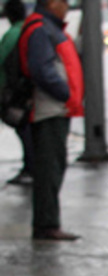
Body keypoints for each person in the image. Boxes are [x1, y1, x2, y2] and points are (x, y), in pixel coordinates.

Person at [20, 0, 82, 240]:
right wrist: (65, 93)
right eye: (64, 2)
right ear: (52, 3)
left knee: (53, 165)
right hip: (49, 109)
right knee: (49, 168)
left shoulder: (48, 27)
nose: (67, 6)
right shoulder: (41, 29)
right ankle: (46, 224)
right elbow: (42, 69)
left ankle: (47, 222)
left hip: (56, 108)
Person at [1, 0, 34, 186]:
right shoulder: (30, 30)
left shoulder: (12, 34)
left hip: (16, 92)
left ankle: (29, 167)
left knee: (23, 129)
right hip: (28, 90)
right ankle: (30, 166)